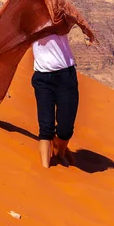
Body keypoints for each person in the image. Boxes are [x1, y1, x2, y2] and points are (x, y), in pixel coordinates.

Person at [31, 33, 79, 168]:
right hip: (42, 79)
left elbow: (74, 18)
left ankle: (60, 154)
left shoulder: (59, 16)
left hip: (66, 77)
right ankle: (45, 170)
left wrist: (86, 31)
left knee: (66, 128)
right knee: (46, 128)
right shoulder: (30, 20)